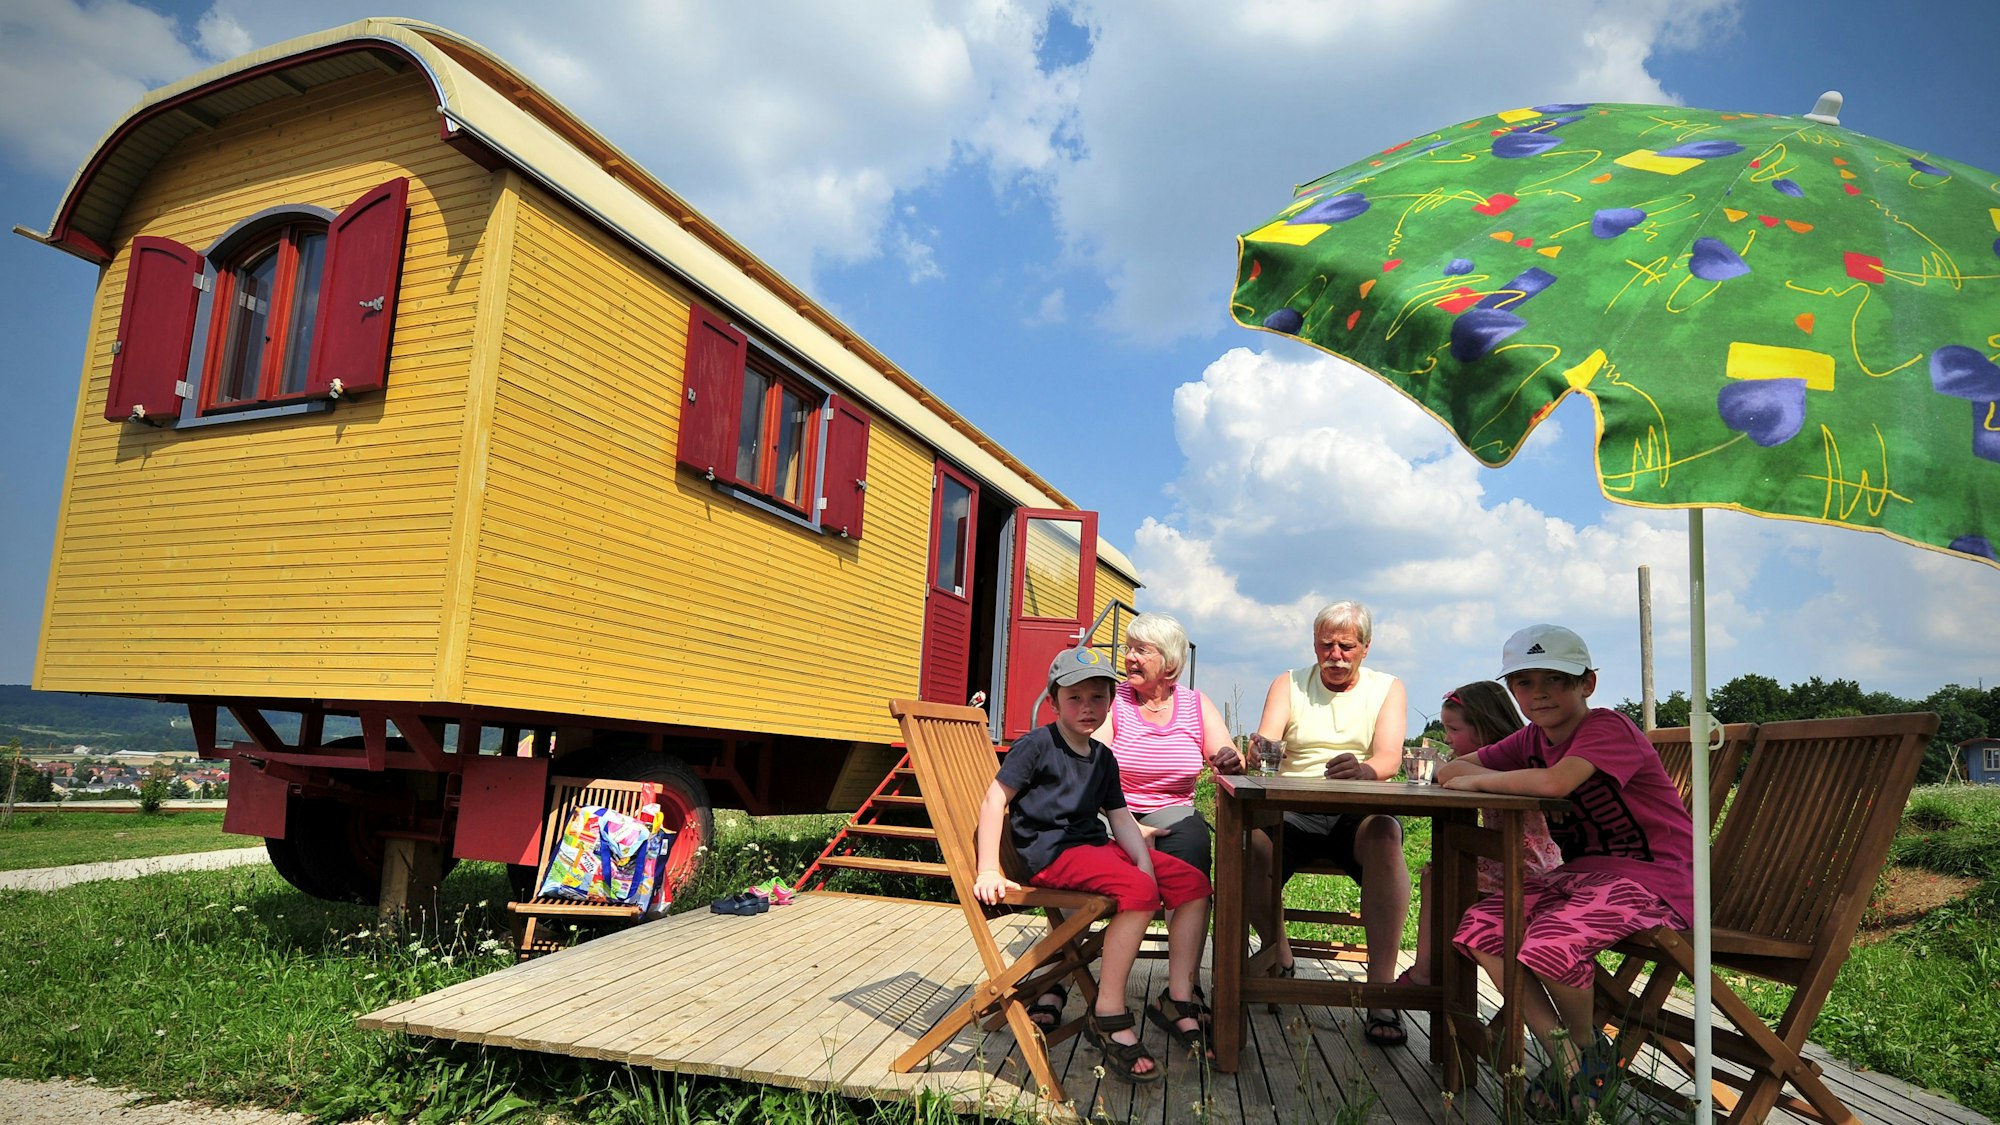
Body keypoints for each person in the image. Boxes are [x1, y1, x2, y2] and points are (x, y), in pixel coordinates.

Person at [1439, 624, 1695, 1115]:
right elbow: (1451, 769)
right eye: (1525, 682)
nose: (1539, 693)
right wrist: (1476, 776)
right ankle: (1578, 1059)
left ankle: (1583, 1044)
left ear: (1587, 684)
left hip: (1653, 879)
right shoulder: (1531, 739)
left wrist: (1479, 782)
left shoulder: (1607, 727)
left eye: (1555, 679)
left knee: (1550, 942)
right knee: (1481, 927)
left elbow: (1556, 783)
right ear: (1512, 691)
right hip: (1580, 878)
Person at [973, 646, 1214, 1083]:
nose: (1087, 708)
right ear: (1053, 701)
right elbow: (994, 801)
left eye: (1098, 698)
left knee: (1193, 882)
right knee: (1140, 893)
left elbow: (1120, 819)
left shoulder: (1102, 757)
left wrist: (1144, 863)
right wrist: (988, 867)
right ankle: (1107, 1012)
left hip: (1096, 848)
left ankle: (1179, 996)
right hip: (1051, 854)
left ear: (1111, 701)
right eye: (1075, 698)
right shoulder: (1036, 746)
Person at [1245, 600, 1412, 1048]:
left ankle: (1380, 989)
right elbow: (1269, 740)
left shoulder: (1388, 687)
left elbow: (1389, 758)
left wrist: (1364, 771)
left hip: (1356, 806)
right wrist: (1259, 750)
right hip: (1293, 806)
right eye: (1326, 645)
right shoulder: (1289, 683)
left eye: (1346, 646)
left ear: (1365, 648)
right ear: (1314, 645)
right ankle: (1278, 949)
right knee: (1251, 844)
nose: (1335, 655)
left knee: (1385, 835)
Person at [1400, 680, 1563, 988]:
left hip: (1526, 867)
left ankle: (1427, 976)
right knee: (1439, 872)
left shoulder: (1514, 760)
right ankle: (1436, 977)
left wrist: (1447, 769)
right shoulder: (1499, 758)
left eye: (1454, 730)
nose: (1447, 737)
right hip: (1509, 858)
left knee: (1439, 875)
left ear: (1485, 727)